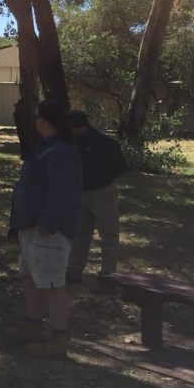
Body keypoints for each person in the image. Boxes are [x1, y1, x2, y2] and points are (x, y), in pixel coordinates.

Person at [7, 99, 83, 358]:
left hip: (48, 231)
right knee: (30, 278)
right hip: (29, 226)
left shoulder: (62, 151)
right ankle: (33, 326)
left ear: (44, 119)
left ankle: (58, 339)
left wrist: (46, 223)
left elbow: (63, 192)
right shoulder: (45, 147)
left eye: (36, 116)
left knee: (52, 284)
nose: (34, 120)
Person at [66, 110, 127, 284]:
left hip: (103, 193)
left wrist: (104, 179)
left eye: (73, 129)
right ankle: (74, 271)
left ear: (82, 127)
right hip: (81, 192)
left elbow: (120, 166)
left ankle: (108, 274)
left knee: (109, 235)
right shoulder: (72, 143)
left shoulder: (104, 142)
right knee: (79, 234)